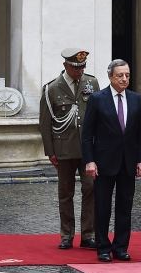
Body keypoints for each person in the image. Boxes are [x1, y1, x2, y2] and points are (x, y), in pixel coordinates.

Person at [81, 59, 141, 263]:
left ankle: (121, 247)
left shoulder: (136, 99)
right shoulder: (97, 99)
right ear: (110, 77)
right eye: (120, 75)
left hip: (128, 163)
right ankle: (103, 247)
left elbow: (140, 134)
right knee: (102, 207)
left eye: (127, 75)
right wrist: (90, 161)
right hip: (104, 162)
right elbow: (87, 134)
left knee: (124, 207)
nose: (124, 79)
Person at [38, 48, 101, 250]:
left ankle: (88, 234)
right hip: (64, 148)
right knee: (65, 193)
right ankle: (66, 235)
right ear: (66, 66)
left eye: (82, 67)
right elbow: (45, 123)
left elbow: (99, 116)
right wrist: (50, 152)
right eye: (76, 67)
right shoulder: (52, 89)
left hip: (89, 149)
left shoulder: (92, 83)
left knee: (90, 189)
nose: (80, 71)